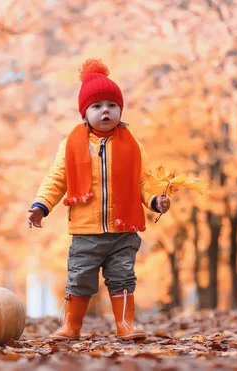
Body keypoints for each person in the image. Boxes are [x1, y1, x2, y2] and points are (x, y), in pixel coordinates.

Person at [27, 58, 170, 341]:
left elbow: (142, 182)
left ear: (120, 109)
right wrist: (40, 206)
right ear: (84, 114)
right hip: (86, 232)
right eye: (96, 106)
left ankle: (125, 325)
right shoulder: (70, 145)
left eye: (111, 105)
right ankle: (71, 327)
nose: (105, 111)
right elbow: (57, 179)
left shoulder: (133, 145)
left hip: (123, 230)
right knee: (79, 279)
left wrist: (155, 201)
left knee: (123, 277)